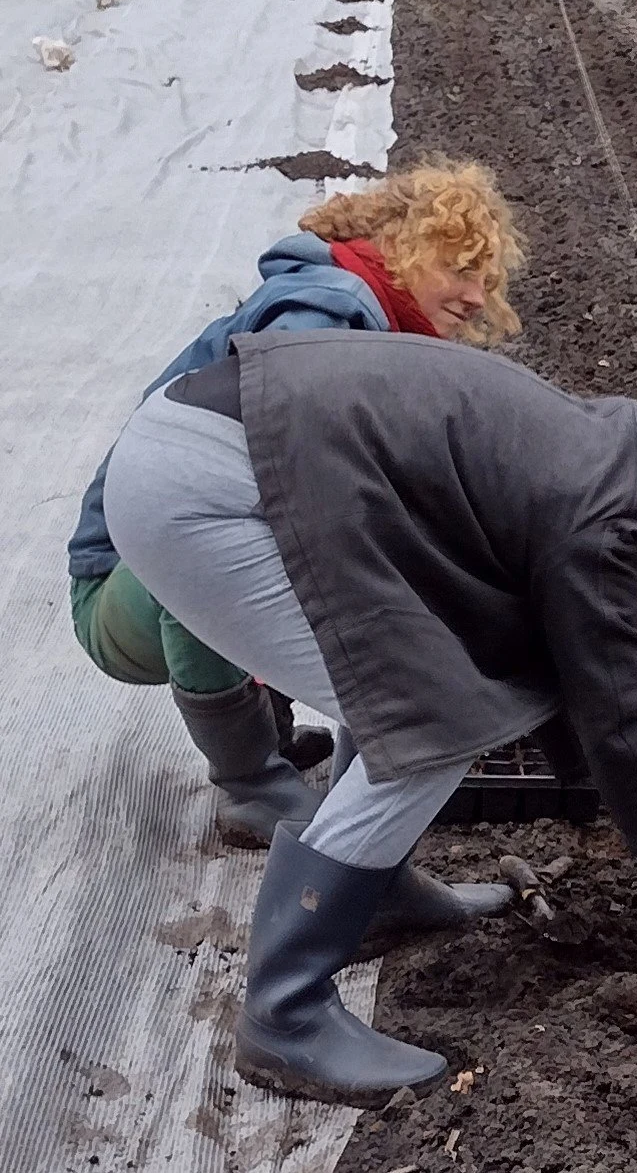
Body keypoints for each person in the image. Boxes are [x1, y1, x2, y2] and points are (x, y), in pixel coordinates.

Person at [101, 329, 637, 1107]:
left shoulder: (606, 457)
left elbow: (571, 685)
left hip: (219, 450)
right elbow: (614, 710)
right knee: (425, 727)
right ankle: (285, 1013)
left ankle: (376, 894)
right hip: (208, 498)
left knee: (409, 676)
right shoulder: (606, 528)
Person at [67, 161, 523, 852]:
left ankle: (268, 732)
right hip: (117, 590)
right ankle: (251, 785)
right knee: (227, 555)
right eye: (459, 270)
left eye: (485, 281)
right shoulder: (325, 312)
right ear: (403, 248)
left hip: (173, 548)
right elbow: (270, 487)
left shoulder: (372, 320)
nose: (474, 297)